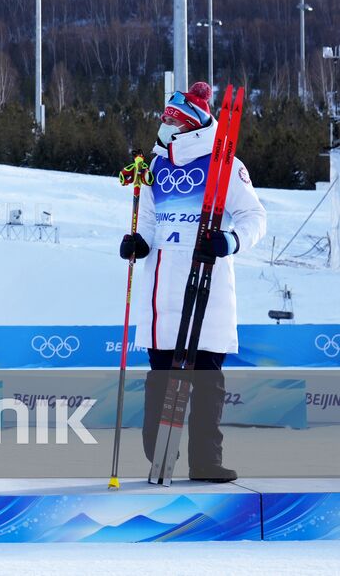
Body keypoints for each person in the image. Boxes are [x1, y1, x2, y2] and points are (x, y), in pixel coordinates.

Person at [118, 81, 266, 482]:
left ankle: (206, 461)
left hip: (207, 284)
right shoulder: (155, 166)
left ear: (190, 124)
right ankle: (159, 457)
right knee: (160, 380)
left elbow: (255, 217)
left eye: (173, 119)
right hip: (163, 289)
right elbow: (148, 220)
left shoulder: (226, 165)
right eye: (165, 119)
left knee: (206, 381)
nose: (165, 125)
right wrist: (138, 243)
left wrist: (230, 240)